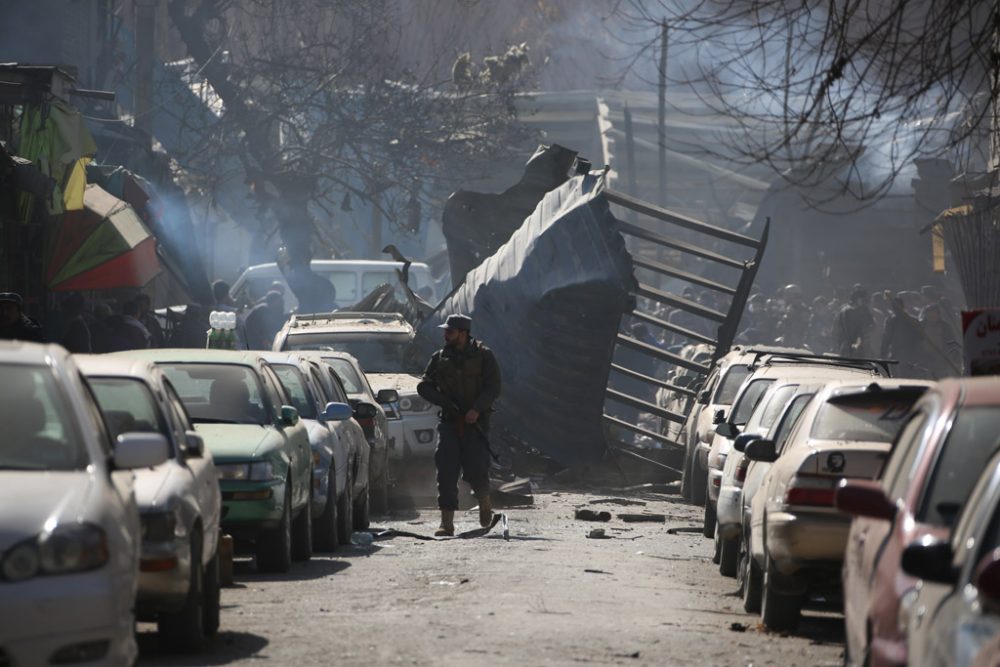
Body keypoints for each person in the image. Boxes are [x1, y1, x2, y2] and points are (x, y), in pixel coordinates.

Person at [417, 314, 502, 536]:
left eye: (450, 332)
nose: (445, 335)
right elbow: (424, 387)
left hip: (476, 424)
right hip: (450, 423)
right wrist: (447, 404)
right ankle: (446, 522)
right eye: (446, 331)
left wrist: (476, 409)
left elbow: (494, 387)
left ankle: (484, 501)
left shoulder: (484, 356)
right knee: (445, 470)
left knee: (476, 470)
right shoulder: (439, 358)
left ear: (463, 334)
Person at [835, 285, 875, 357]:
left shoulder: (860, 310)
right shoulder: (851, 311)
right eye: (863, 299)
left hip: (851, 345)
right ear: (857, 299)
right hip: (853, 347)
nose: (865, 301)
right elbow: (851, 332)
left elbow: (872, 325)